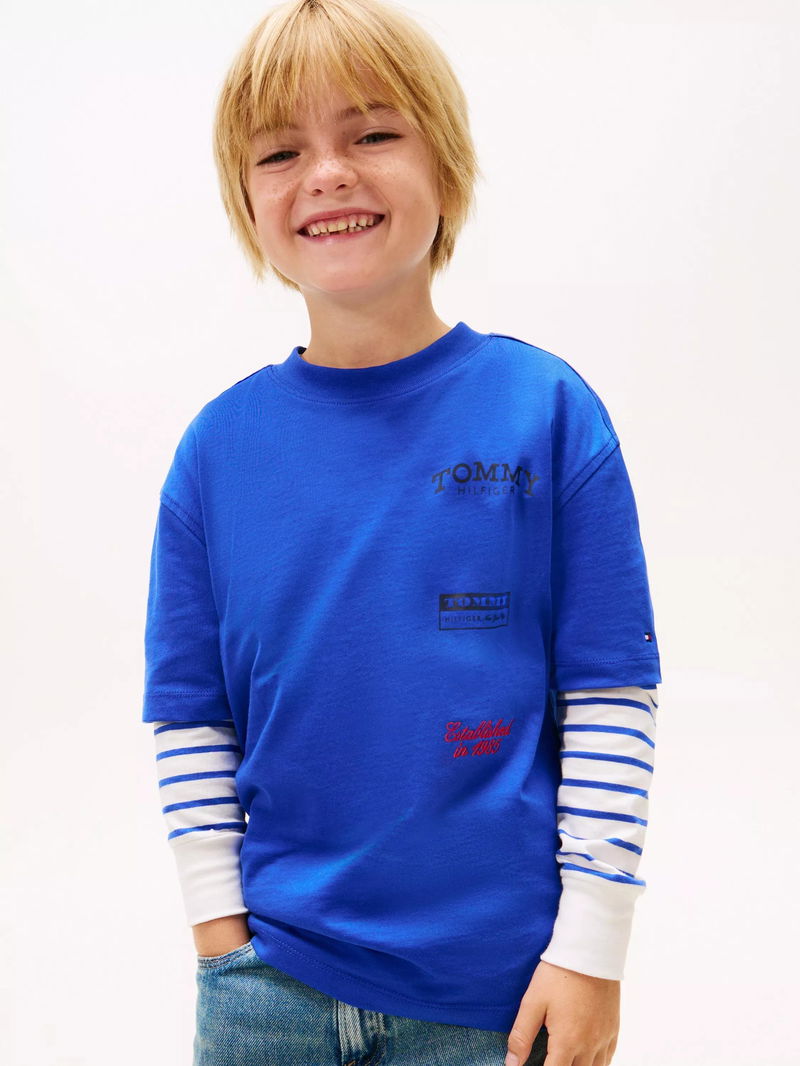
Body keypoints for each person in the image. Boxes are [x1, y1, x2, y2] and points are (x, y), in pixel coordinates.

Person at [141, 1, 662, 1064]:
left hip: (497, 996)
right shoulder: (215, 452)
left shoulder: (546, 414)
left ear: (447, 166)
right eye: (280, 152)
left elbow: (611, 692)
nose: (327, 174)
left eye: (372, 133)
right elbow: (190, 715)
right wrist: (220, 940)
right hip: (266, 989)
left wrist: (591, 949)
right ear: (247, 202)